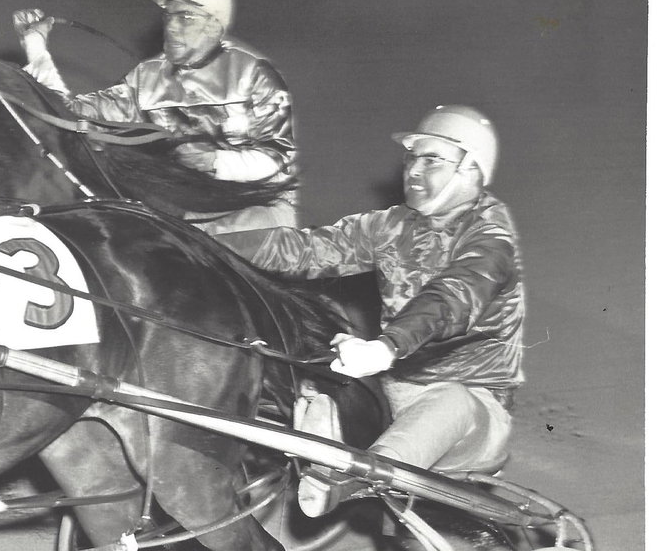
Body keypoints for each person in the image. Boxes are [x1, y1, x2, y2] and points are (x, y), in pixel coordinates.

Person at [218, 106, 523, 516]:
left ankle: (351, 477)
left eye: (431, 159)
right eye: (411, 158)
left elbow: (453, 297)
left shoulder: (490, 239)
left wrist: (386, 347)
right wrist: (201, 242)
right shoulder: (392, 225)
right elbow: (305, 249)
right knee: (307, 351)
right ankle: (326, 446)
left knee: (454, 401)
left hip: (473, 419)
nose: (413, 170)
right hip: (394, 400)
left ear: (471, 169)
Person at [14, 0, 297, 232]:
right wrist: (35, 44)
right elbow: (68, 114)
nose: (172, 27)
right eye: (169, 16)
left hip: (258, 208)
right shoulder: (146, 78)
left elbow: (279, 155)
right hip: (189, 212)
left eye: (185, 17)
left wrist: (214, 161)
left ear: (214, 23)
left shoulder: (253, 73)